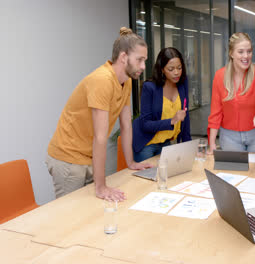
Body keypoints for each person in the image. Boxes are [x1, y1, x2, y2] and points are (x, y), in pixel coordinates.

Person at [46, 27, 152, 202]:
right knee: (70, 219)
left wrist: (131, 162)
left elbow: (126, 126)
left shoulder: (125, 82)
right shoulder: (103, 80)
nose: (143, 66)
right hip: (68, 158)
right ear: (124, 57)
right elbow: (100, 137)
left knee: (90, 213)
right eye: (140, 60)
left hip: (88, 157)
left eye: (144, 60)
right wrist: (101, 186)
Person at [207, 32, 255, 154]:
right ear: (231, 53)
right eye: (241, 51)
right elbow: (215, 112)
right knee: (233, 172)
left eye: (249, 51)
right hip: (229, 137)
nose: (246, 56)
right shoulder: (220, 76)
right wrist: (211, 143)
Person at [132, 47, 191, 162]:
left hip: (166, 142)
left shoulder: (182, 83)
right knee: (149, 178)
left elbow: (185, 116)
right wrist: (171, 121)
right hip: (147, 144)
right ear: (162, 69)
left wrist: (188, 148)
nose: (176, 72)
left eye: (179, 68)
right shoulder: (149, 87)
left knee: (169, 176)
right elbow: (145, 124)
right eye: (171, 69)